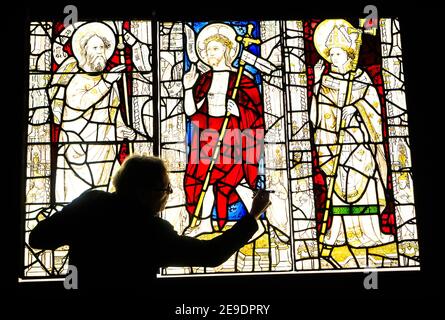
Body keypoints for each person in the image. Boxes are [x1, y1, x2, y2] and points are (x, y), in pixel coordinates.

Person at [29, 155, 271, 289]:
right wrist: (251, 217)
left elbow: (38, 238)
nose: (168, 195)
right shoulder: (151, 231)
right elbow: (210, 254)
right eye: (166, 189)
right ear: (146, 192)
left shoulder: (90, 203)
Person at [311, 20, 394, 266]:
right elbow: (316, 117)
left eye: (336, 53)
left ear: (348, 53)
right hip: (334, 143)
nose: (332, 58)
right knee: (338, 186)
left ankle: (368, 232)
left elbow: (375, 110)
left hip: (359, 142)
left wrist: (355, 109)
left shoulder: (361, 78)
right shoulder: (325, 81)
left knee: (363, 182)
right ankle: (339, 232)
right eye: (330, 54)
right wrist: (316, 83)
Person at [183, 23, 265, 235]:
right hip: (209, 135)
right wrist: (187, 88)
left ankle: (258, 223)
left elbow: (256, 115)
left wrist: (239, 110)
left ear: (228, 50)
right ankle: (204, 223)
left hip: (233, 134)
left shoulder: (243, 81)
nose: (210, 54)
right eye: (207, 50)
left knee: (233, 179)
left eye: (215, 49)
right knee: (204, 179)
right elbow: (192, 112)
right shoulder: (204, 79)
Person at [48, 22, 136, 203]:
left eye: (103, 48)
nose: (100, 52)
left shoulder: (109, 83)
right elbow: (80, 103)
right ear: (84, 51)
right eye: (95, 47)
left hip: (105, 152)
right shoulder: (77, 80)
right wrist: (107, 82)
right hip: (79, 150)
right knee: (79, 203)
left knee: (108, 197)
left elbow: (113, 113)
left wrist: (122, 129)